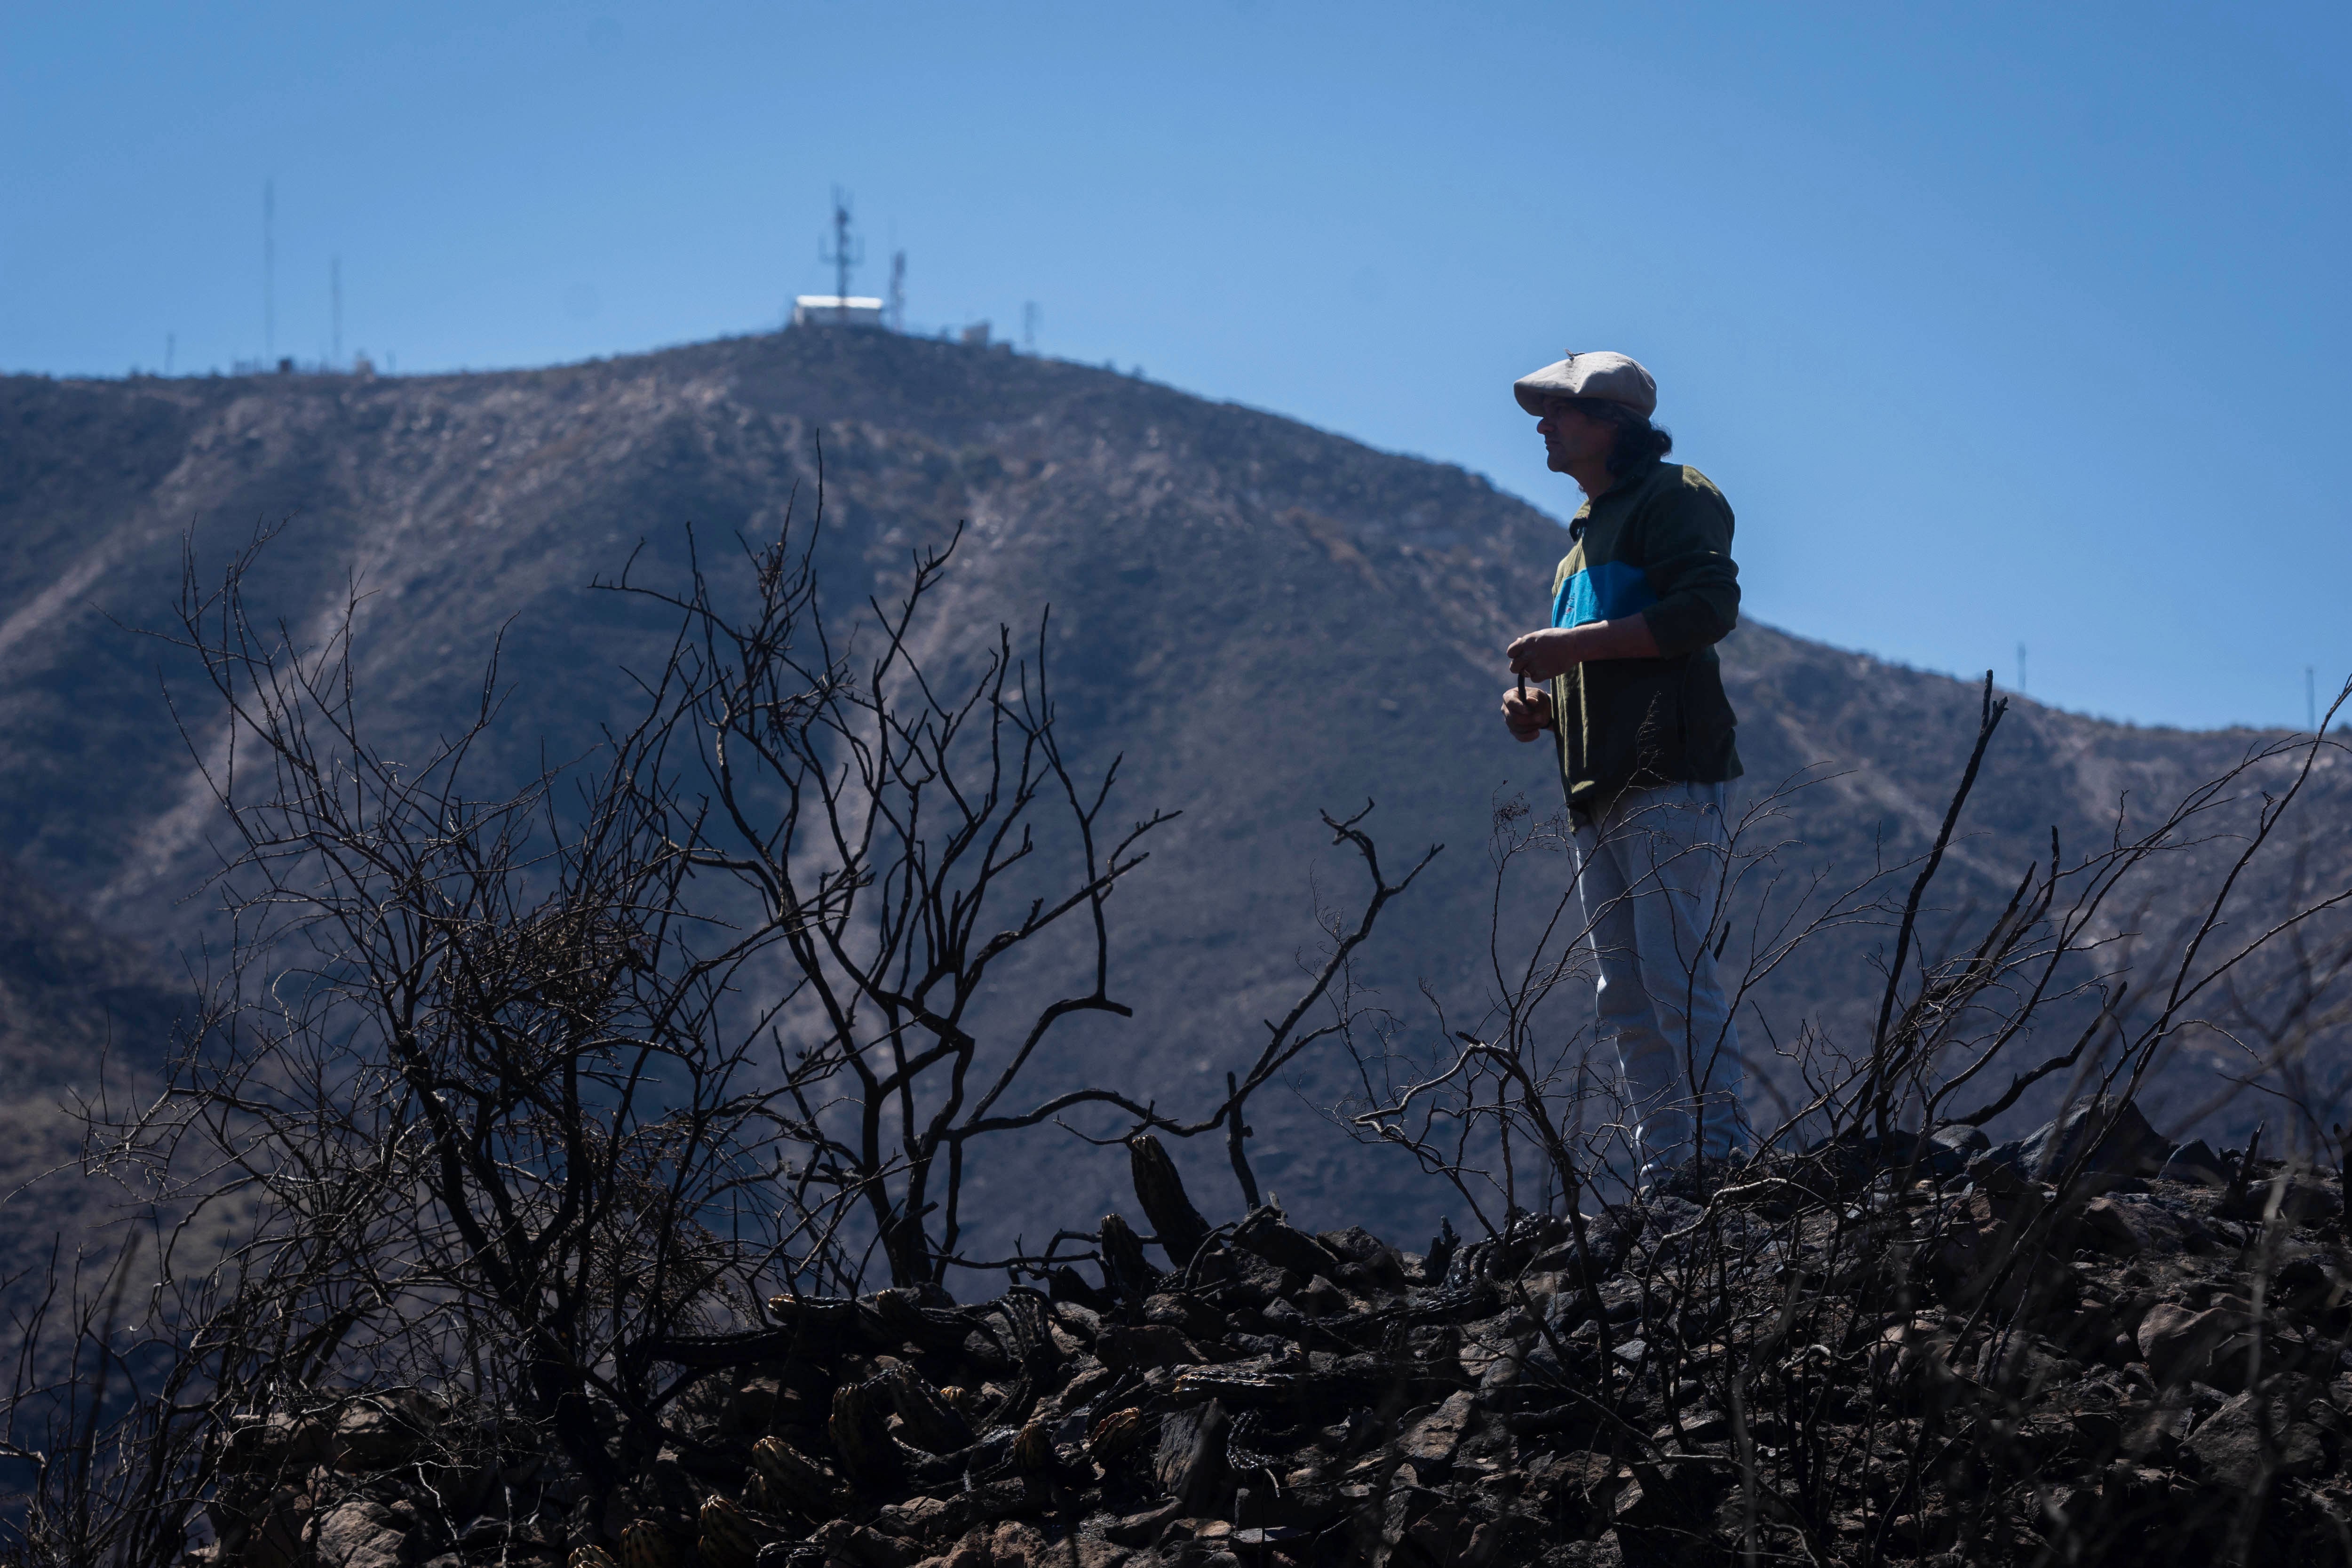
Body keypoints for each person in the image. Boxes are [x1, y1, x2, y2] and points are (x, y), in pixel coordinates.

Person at [1496, 350, 1747, 1185]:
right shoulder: (1578, 547)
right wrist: (1541, 710)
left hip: (1667, 769)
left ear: (1614, 423)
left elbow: (1707, 609)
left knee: (1672, 972)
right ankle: (1667, 1171)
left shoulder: (1677, 497)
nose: (1544, 424)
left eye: (1560, 410)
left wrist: (1571, 647)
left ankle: (1718, 1153)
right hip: (1596, 788)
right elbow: (1607, 661)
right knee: (1625, 991)